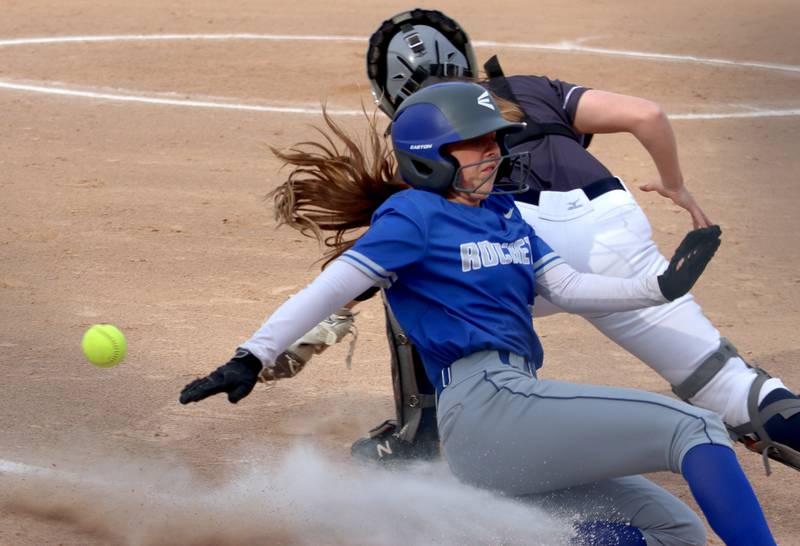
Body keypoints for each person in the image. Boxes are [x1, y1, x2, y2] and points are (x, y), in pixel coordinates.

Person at [180, 81, 775, 545]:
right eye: (477, 143)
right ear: (429, 157)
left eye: (496, 140)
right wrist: (251, 357)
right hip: (487, 406)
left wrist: (663, 284)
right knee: (693, 426)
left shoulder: (506, 216)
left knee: (678, 532)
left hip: (512, 415)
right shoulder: (413, 216)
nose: (494, 153)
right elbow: (329, 291)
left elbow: (567, 286)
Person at [270, 8, 800, 474]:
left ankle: (422, 440)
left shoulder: (423, 138)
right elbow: (647, 115)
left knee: (418, 284)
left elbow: (402, 248)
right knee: (726, 382)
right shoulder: (529, 89)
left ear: (386, 92)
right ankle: (764, 412)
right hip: (612, 226)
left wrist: (325, 317)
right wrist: (676, 185)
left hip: (516, 245)